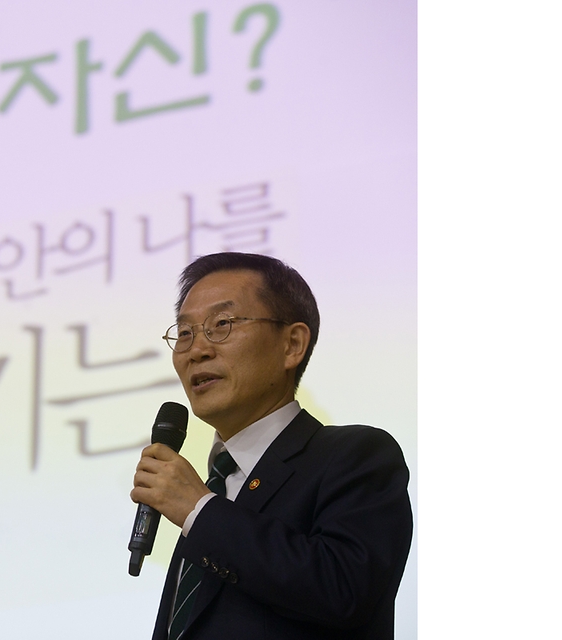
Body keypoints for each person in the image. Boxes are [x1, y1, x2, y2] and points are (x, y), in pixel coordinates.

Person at [131, 252, 412, 640]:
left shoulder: (356, 456)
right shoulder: (211, 488)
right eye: (184, 333)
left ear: (292, 344)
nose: (197, 350)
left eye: (222, 324)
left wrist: (199, 510)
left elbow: (345, 591)